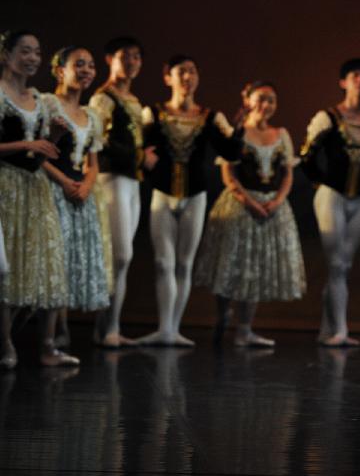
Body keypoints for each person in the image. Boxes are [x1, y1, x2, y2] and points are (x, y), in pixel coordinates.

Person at [138, 55, 244, 347]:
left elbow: (231, 152)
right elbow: (139, 146)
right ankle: (164, 327)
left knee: (184, 264)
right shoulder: (154, 114)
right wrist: (143, 157)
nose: (187, 77)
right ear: (168, 77)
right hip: (162, 193)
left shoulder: (210, 117)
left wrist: (238, 129)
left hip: (195, 194)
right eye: (181, 71)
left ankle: (174, 328)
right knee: (163, 262)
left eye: (193, 71)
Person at [195, 81, 306, 347]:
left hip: (271, 205)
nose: (266, 105)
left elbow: (287, 173)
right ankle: (224, 314)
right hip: (241, 205)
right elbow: (229, 174)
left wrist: (278, 200)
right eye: (261, 98)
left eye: (271, 100)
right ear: (247, 100)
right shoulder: (238, 132)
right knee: (231, 263)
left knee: (256, 266)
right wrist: (248, 201)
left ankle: (245, 328)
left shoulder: (281, 134)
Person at [299, 58, 360, 347]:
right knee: (337, 263)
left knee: (343, 265)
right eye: (355, 76)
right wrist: (321, 185)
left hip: (358, 199)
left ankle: (327, 330)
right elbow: (306, 156)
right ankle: (340, 330)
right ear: (343, 82)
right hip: (332, 196)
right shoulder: (328, 118)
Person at [0, 30, 76, 368]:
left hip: (35, 187)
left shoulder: (41, 100)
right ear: (6, 54)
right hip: (6, 186)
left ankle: (47, 346)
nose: (32, 58)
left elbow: (39, 158)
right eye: (25, 51)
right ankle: (6, 345)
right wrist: (26, 144)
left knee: (46, 261)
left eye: (37, 52)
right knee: (9, 266)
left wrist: (53, 137)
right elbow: (23, 150)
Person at [89, 36, 156, 348]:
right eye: (124, 56)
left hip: (131, 180)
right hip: (111, 178)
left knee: (123, 257)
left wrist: (142, 155)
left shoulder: (133, 100)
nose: (131, 62)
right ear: (110, 59)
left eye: (136, 57)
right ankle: (108, 327)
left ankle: (108, 326)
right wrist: (139, 156)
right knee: (120, 254)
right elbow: (98, 141)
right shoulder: (103, 98)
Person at [42, 46, 110, 347]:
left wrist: (86, 185)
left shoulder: (91, 115)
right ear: (60, 70)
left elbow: (93, 163)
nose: (86, 71)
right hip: (52, 189)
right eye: (79, 64)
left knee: (71, 260)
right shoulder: (46, 103)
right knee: (55, 260)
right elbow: (37, 153)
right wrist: (64, 182)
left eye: (91, 65)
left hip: (79, 193)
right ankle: (54, 331)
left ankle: (62, 328)